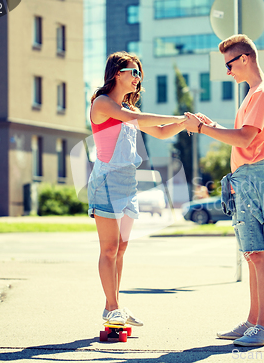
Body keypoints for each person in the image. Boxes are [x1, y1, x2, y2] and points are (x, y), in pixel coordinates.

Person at [184, 34, 264, 347]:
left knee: (259, 254)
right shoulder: (256, 93)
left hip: (253, 177)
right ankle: (254, 322)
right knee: (252, 254)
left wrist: (203, 129)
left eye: (230, 64)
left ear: (244, 59)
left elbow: (244, 139)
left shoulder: (261, 92)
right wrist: (212, 124)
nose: (228, 71)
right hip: (247, 178)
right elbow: (243, 136)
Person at [88, 51, 186, 327]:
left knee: (121, 249)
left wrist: (185, 123)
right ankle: (111, 308)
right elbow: (140, 121)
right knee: (108, 249)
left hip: (128, 186)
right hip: (106, 183)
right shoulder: (103, 104)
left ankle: (115, 305)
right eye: (134, 72)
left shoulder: (130, 112)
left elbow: (162, 132)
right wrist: (177, 116)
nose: (138, 78)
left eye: (139, 73)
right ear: (117, 73)